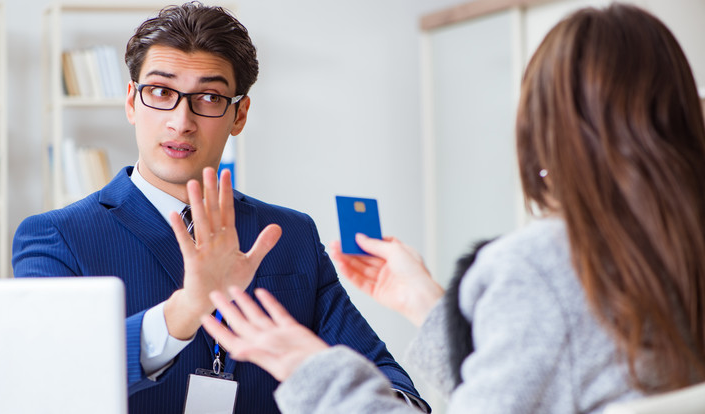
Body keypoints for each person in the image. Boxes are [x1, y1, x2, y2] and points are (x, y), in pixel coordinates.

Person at [200, 4, 705, 413]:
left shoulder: (543, 265)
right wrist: (426, 304)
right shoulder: (678, 251)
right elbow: (547, 378)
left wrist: (313, 370)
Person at [11, 3, 428, 414]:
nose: (181, 121)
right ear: (132, 102)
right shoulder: (55, 237)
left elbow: (390, 388)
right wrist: (186, 308)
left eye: (209, 97)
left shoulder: (291, 235)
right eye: (160, 92)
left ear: (239, 114)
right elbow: (53, 380)